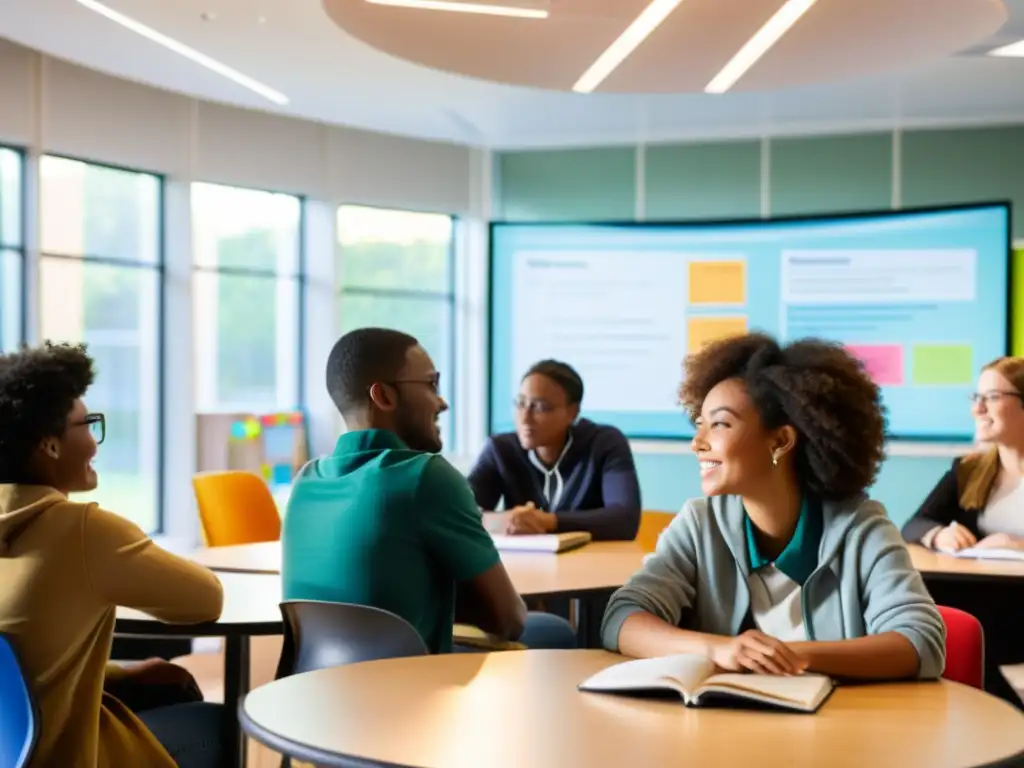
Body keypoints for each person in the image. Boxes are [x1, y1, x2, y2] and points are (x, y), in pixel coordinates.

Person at [601, 333, 945, 681]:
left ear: (780, 441)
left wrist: (785, 656)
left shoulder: (860, 526)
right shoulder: (699, 524)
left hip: (837, 729)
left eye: (719, 424)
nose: (697, 443)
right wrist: (720, 649)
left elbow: (920, 642)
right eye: (699, 424)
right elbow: (623, 618)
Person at [0, 342, 226, 768]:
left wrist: (124, 674)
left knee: (160, 685)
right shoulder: (83, 530)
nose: (95, 443)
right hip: (67, 754)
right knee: (218, 725)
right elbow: (205, 599)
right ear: (50, 445)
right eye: (88, 424)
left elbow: (20, 674)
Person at [282, 328, 576, 654]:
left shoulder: (305, 482)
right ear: (384, 396)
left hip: (314, 689)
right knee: (555, 631)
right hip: (407, 689)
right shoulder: (425, 476)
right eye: (431, 384)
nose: (442, 402)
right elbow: (510, 620)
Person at [469, 360, 641, 541]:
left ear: (572, 413)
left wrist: (549, 521)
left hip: (591, 562)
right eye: (520, 403)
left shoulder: (604, 444)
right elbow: (455, 514)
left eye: (541, 407)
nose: (525, 418)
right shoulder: (500, 449)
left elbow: (625, 519)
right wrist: (509, 520)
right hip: (525, 563)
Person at [903, 356, 1024, 552]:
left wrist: (1017, 546)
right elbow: (915, 525)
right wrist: (938, 535)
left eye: (993, 397)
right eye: (976, 397)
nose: (978, 409)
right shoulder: (969, 469)